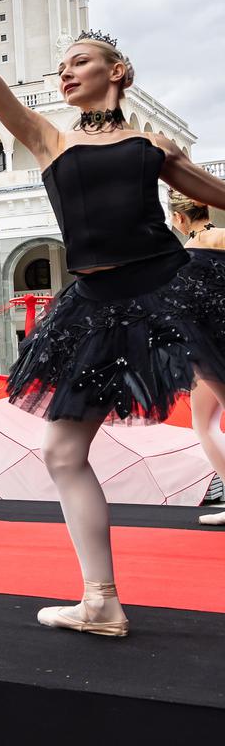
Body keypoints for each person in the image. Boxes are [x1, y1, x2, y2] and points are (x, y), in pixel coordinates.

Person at [0, 0, 225, 636]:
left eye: (82, 60)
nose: (66, 71)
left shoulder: (153, 144)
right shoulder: (47, 139)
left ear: (116, 73)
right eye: (62, 63)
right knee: (63, 453)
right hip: (95, 307)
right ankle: (101, 600)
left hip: (172, 285)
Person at [169, 190, 225, 526]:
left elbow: (188, 310)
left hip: (211, 346)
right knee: (203, 422)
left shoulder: (187, 252)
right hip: (212, 345)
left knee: (204, 425)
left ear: (179, 218)